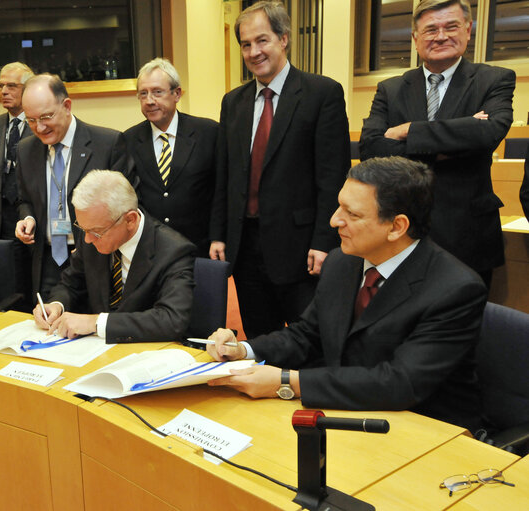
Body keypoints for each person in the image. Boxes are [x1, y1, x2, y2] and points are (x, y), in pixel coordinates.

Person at [207, 156, 487, 433]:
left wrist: (288, 381)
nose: (334, 220)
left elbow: (400, 383)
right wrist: (244, 350)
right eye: (339, 206)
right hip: (347, 411)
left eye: (351, 214)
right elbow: (308, 334)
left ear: (397, 227)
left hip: (425, 430)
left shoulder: (454, 289)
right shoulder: (343, 261)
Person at [209, 1, 350, 339]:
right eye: (246, 44)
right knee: (261, 341)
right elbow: (224, 176)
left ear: (284, 39)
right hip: (246, 248)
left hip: (301, 249)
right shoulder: (233, 102)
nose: (254, 52)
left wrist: (324, 241)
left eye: (262, 40)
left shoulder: (321, 93)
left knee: (311, 341)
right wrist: (218, 233)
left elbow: (332, 177)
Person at [359, 0, 515, 289]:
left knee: (462, 330)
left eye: (451, 26)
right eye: (430, 29)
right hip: (400, 234)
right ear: (415, 38)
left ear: (468, 30)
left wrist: (407, 131)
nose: (441, 36)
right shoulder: (391, 89)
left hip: (467, 236)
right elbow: (370, 148)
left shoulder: (493, 79)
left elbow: (488, 133)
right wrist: (459, 134)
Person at [34, 170, 194, 343]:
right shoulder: (92, 228)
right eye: (83, 229)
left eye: (96, 232)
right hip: (93, 349)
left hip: (145, 352)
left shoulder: (174, 251)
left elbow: (171, 319)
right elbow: (71, 283)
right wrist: (57, 305)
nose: (87, 239)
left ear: (130, 220)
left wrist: (96, 322)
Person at [15, 73, 134, 301]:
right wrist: (27, 218)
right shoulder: (25, 149)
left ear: (67, 106)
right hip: (47, 260)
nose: (39, 127)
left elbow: (125, 207)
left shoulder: (107, 144)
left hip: (96, 258)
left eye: (46, 117)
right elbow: (25, 200)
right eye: (30, 120)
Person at [123, 58, 218, 256]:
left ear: (177, 94)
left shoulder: (208, 133)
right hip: (150, 250)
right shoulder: (128, 140)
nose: (150, 100)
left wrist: (219, 237)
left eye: (157, 92)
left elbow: (221, 191)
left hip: (199, 247)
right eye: (143, 94)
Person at [0, 62, 34, 310]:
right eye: (1, 85)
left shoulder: (40, 126)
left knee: (32, 282)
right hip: (2, 219)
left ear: (28, 89)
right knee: (8, 283)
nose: (4, 90)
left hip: (32, 216)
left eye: (11, 86)